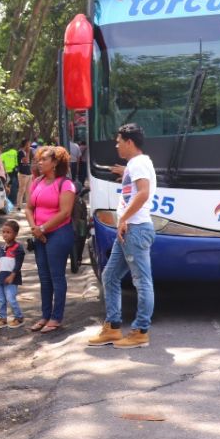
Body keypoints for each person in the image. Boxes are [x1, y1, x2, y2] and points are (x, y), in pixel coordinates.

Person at [89, 123, 156, 349]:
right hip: (128, 229)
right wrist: (124, 173)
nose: (116, 145)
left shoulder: (138, 164)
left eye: (119, 141)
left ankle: (140, 332)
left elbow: (143, 193)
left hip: (135, 229)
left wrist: (124, 218)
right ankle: (113, 327)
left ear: (130, 142)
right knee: (109, 276)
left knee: (142, 281)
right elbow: (137, 190)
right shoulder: (135, 165)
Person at [25, 146, 77, 334]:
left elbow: (65, 213)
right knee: (44, 277)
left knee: (56, 276)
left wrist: (43, 229)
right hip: (39, 235)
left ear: (55, 163)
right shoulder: (37, 181)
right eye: (39, 159)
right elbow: (29, 207)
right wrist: (34, 228)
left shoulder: (66, 184)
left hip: (58, 234)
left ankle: (56, 317)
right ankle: (45, 315)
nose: (39, 163)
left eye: (44, 159)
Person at [0, 220, 25, 329]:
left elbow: (18, 264)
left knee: (10, 298)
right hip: (0, 277)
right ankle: (2, 319)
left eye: (8, 232)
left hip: (11, 278)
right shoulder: (1, 248)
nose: (5, 234)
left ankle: (19, 318)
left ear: (15, 234)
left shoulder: (18, 248)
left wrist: (12, 276)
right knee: (0, 299)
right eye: (3, 232)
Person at [1, 141, 20, 207]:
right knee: (14, 186)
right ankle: (13, 201)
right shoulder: (15, 152)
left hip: (6, 172)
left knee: (6, 186)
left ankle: (5, 201)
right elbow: (17, 162)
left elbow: (1, 163)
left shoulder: (3, 154)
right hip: (13, 172)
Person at [16, 139, 32, 210]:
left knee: (28, 190)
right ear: (26, 144)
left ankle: (29, 206)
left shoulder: (26, 152)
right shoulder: (20, 152)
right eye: (29, 144)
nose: (30, 145)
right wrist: (28, 152)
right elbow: (25, 161)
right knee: (22, 190)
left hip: (29, 173)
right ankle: (19, 206)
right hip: (23, 174)